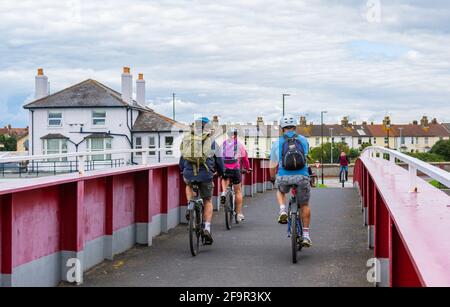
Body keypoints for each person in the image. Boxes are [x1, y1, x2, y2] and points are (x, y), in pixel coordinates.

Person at [179, 117, 224, 245]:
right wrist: (220, 173)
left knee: (187, 183)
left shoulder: (187, 139)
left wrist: (184, 170)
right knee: (208, 200)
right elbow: (220, 162)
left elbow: (182, 160)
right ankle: (207, 228)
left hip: (189, 173)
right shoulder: (212, 142)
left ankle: (189, 204)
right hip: (206, 175)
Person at [269, 115, 313, 247]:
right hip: (302, 176)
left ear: (282, 129)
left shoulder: (277, 142)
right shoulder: (303, 140)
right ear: (295, 127)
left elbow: (272, 164)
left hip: (283, 176)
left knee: (280, 190)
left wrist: (272, 178)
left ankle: (282, 210)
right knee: (304, 204)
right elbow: (305, 157)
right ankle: (305, 235)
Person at [220, 127, 251, 222]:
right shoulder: (240, 145)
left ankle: (224, 192)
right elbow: (245, 159)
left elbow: (218, 157)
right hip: (235, 169)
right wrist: (247, 168)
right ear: (236, 135)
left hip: (225, 169)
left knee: (224, 179)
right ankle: (238, 213)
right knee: (238, 191)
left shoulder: (223, 144)